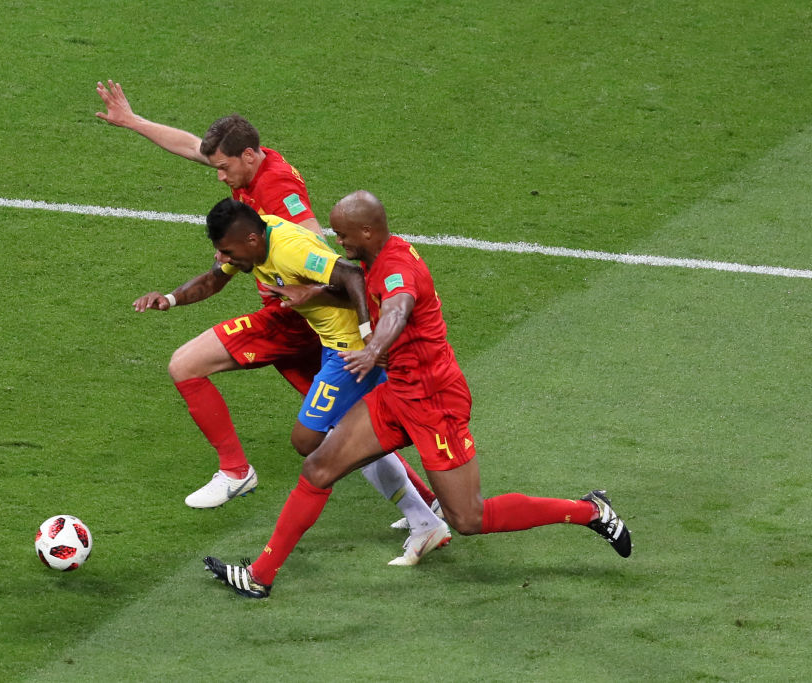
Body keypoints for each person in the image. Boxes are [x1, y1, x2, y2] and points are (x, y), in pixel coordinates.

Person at [204, 191, 633, 598]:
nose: (337, 241)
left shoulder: (395, 269)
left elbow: (397, 309)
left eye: (342, 234)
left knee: (468, 518)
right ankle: (260, 576)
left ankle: (590, 511)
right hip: (397, 394)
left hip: (434, 402)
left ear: (367, 232)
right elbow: (362, 294)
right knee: (318, 467)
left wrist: (372, 349)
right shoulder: (376, 256)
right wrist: (314, 292)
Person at [97, 80, 439, 517]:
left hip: (292, 319)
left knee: (186, 365)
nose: (218, 175)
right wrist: (132, 121)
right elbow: (192, 148)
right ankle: (426, 509)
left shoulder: (277, 190)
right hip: (309, 321)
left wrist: (311, 295)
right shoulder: (251, 169)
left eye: (223, 167)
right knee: (344, 426)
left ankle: (235, 472)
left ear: (249, 156)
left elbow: (322, 252)